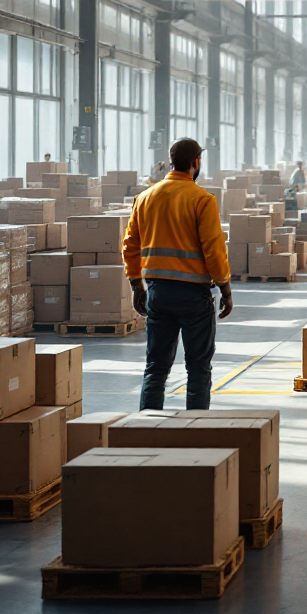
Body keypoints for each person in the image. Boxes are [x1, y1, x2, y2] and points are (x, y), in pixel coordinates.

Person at [123, 137, 233, 410]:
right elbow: (213, 249)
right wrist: (225, 287)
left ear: (171, 162)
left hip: (157, 294)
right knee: (198, 369)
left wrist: (137, 284)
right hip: (193, 296)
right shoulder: (202, 200)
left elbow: (130, 245)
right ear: (196, 163)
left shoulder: (145, 198)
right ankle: (194, 432)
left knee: (155, 368)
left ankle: (145, 429)